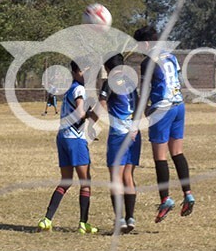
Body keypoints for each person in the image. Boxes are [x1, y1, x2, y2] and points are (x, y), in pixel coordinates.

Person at [133, 26, 195, 223]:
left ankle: (165, 198)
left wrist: (142, 112)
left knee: (160, 157)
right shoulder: (171, 56)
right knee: (177, 152)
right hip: (179, 106)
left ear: (147, 44)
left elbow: (144, 91)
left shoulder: (147, 62)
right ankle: (188, 194)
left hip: (162, 109)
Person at [37, 61, 97, 234]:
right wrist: (91, 113)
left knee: (66, 180)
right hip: (75, 139)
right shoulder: (79, 89)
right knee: (86, 182)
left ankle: (47, 220)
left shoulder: (71, 88)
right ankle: (83, 223)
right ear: (77, 71)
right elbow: (79, 113)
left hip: (62, 137)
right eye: (87, 70)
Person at [99, 53, 141, 233]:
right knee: (128, 177)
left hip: (118, 134)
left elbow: (102, 102)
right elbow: (139, 105)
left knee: (116, 177)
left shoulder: (110, 82)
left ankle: (120, 220)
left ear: (108, 69)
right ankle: (130, 218)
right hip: (134, 134)